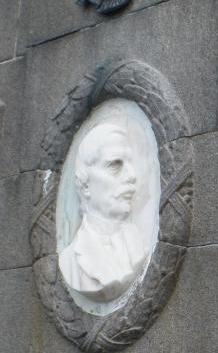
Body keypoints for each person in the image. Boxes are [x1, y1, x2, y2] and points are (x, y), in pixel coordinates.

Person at [58, 120, 150, 302]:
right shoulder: (70, 262)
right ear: (84, 183)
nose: (131, 175)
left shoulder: (140, 246)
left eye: (130, 164)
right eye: (115, 165)